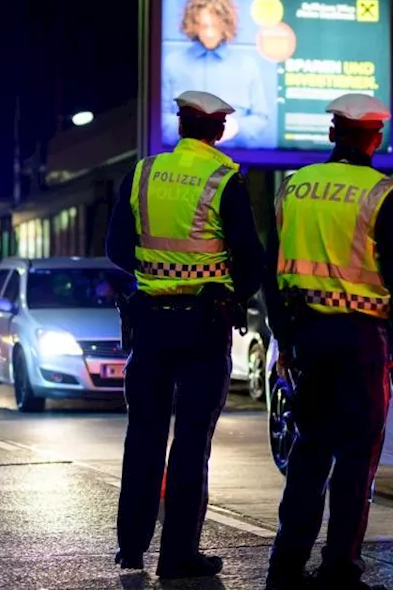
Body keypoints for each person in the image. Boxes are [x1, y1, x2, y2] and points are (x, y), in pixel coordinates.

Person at [262, 93, 393, 590]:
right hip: (359, 342)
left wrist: (286, 340)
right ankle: (338, 572)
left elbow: (271, 276)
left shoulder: (293, 189)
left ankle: (284, 570)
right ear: (376, 139)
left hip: (307, 337)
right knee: (356, 459)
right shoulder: (383, 194)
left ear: (333, 134)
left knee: (308, 453)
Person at [105, 89, 267, 579]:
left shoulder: (142, 173)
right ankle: (178, 557)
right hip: (203, 326)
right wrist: (225, 292)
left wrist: (156, 274)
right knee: (192, 442)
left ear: (180, 126)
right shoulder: (224, 180)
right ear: (217, 130)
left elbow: (116, 247)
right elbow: (253, 263)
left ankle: (131, 549)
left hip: (150, 322)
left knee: (144, 438)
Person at [161, 0, 272, 149]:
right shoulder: (172, 63)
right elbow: (159, 120)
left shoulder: (247, 66)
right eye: (203, 25)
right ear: (193, 24)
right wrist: (192, 130)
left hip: (233, 160)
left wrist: (236, 127)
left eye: (215, 25)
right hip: (184, 158)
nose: (210, 33)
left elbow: (261, 119)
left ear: (226, 24)